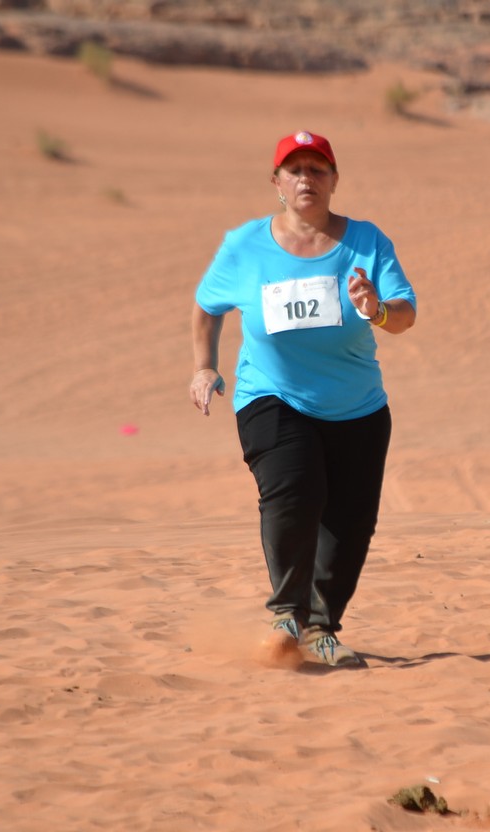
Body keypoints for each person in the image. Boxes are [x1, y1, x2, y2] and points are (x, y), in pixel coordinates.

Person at [189, 130, 417, 668]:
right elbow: (206, 307)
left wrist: (377, 308)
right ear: (277, 182)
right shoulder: (245, 245)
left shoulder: (367, 242)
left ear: (335, 180)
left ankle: (320, 629)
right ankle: (286, 617)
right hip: (271, 395)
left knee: (351, 523)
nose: (306, 179)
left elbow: (405, 315)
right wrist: (205, 366)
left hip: (357, 407)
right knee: (296, 490)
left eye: (317, 169)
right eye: (295, 170)